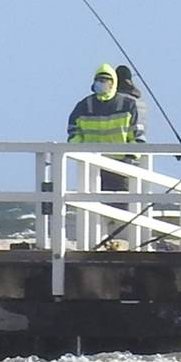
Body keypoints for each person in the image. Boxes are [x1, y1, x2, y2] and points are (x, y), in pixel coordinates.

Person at [66, 63, 141, 245]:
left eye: (106, 80)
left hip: (120, 166)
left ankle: (119, 243)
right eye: (99, 80)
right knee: (95, 207)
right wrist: (81, 151)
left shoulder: (127, 104)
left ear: (113, 82)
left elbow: (137, 135)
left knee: (121, 208)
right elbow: (73, 132)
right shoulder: (84, 105)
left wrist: (132, 155)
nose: (102, 83)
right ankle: (98, 242)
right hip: (93, 166)